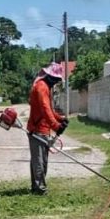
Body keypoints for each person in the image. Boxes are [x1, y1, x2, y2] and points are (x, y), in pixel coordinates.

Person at [25, 62, 69, 195]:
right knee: (39, 161)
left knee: (40, 161)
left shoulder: (45, 87)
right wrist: (56, 126)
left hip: (43, 130)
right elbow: (45, 110)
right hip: (36, 130)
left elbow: (50, 110)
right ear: (49, 77)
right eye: (55, 80)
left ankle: (36, 187)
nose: (55, 82)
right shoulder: (41, 88)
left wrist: (60, 119)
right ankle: (40, 189)